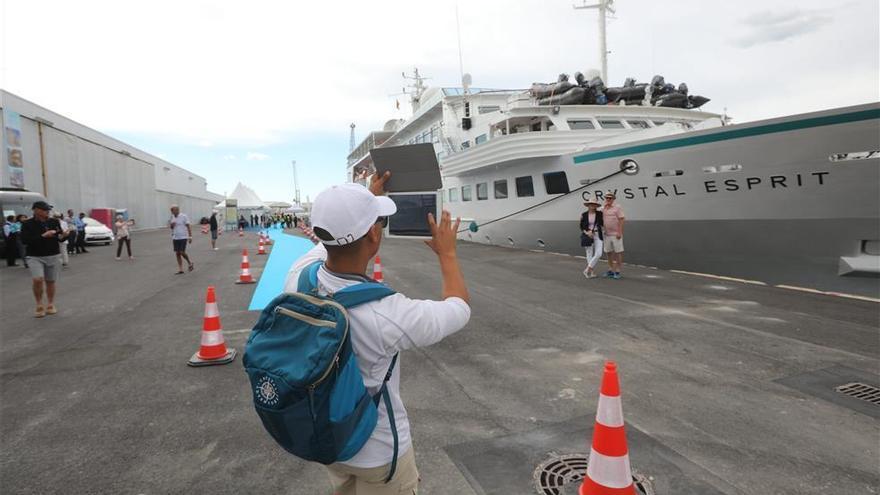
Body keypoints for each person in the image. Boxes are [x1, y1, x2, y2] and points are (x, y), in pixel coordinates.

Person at [282, 173, 470, 494]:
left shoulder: (299, 276)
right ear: (373, 233)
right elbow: (459, 309)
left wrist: (363, 199)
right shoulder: (387, 311)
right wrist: (448, 254)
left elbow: (323, 248)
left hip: (328, 438)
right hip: (378, 451)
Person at [20, 201, 64, 317]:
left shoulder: (54, 221)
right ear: (36, 210)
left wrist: (64, 236)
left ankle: (50, 304)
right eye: (45, 210)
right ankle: (39, 304)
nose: (47, 212)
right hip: (35, 256)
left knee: (50, 281)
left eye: (48, 210)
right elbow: (24, 240)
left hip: (53, 254)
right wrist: (42, 236)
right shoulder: (27, 224)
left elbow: (59, 238)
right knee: (37, 279)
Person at [601, 191, 625, 279]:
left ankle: (618, 270)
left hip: (616, 234)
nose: (608, 199)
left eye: (610, 198)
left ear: (613, 199)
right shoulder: (603, 208)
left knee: (618, 252)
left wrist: (620, 232)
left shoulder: (617, 208)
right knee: (608, 252)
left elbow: (622, 219)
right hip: (606, 234)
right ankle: (610, 269)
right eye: (607, 198)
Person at [579, 198, 604, 279]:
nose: (593, 205)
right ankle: (591, 272)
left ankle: (587, 269)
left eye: (594, 204)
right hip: (587, 235)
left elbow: (602, 223)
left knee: (599, 253)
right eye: (591, 204)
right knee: (589, 253)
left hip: (598, 234)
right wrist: (587, 232)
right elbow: (581, 226)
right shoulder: (584, 214)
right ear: (588, 205)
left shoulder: (599, 213)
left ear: (596, 206)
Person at [169, 205, 194, 274]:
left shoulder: (184, 216)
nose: (175, 211)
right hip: (175, 237)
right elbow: (171, 227)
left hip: (183, 237)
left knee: (182, 252)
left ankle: (189, 262)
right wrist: (172, 225)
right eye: (173, 210)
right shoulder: (172, 217)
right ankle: (180, 269)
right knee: (177, 253)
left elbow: (188, 226)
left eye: (177, 210)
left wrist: (190, 237)